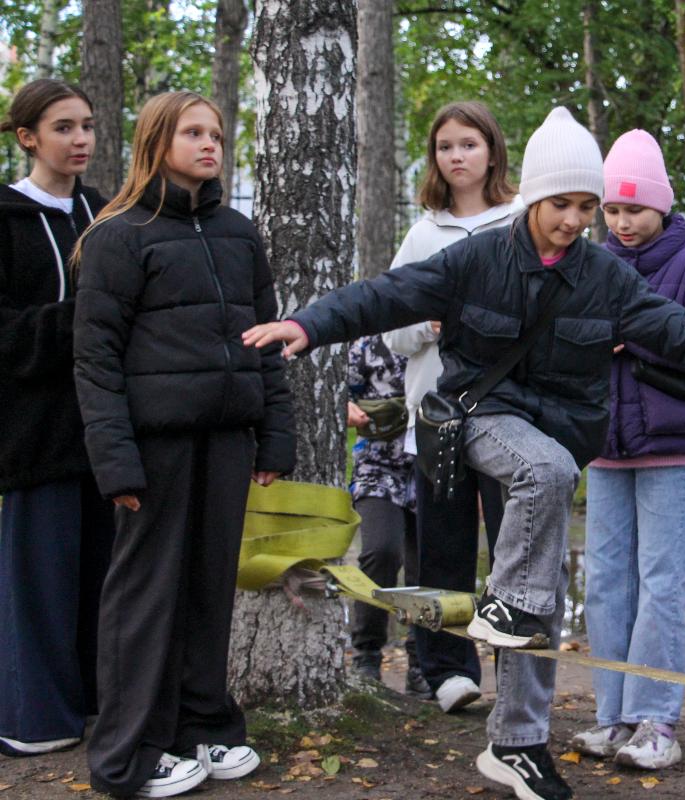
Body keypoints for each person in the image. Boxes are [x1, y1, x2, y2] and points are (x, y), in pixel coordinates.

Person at [243, 106, 685, 800]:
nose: (576, 220)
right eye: (562, 205)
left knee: (540, 600)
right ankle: (505, 607)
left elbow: (678, 332)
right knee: (541, 481)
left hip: (560, 431)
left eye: (587, 206)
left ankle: (516, 744)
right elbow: (389, 295)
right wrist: (309, 323)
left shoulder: (604, 276)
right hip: (477, 414)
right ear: (532, 198)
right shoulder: (479, 256)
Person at [73, 91, 295, 798]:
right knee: (144, 600)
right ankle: (128, 756)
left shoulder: (238, 232)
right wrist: (115, 462)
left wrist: (274, 439)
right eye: (193, 132)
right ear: (156, 140)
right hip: (152, 448)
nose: (210, 145)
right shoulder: (118, 236)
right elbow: (96, 362)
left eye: (218, 135)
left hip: (227, 439)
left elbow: (267, 341)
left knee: (209, 594)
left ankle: (204, 726)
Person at [570, 129, 685, 770]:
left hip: (671, 448)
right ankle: (612, 717)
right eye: (611, 209)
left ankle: (657, 722)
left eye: (633, 209)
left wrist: (632, 337)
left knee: (662, 584)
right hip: (606, 447)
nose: (621, 222)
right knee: (608, 584)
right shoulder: (589, 262)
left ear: (662, 206)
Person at [382, 100, 523, 713]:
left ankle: (517, 668)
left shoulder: (521, 222)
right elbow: (391, 327)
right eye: (446, 146)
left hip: (509, 414)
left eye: (468, 143)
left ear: (491, 149)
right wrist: (428, 326)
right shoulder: (423, 233)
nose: (457, 155)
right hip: (437, 419)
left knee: (514, 547)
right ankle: (446, 672)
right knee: (441, 547)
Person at [0, 78, 113, 758]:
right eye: (65, 127)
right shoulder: (4, 216)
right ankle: (33, 718)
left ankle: (96, 705)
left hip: (105, 430)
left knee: (102, 573)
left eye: (88, 126)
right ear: (26, 136)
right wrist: (79, 323)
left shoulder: (104, 214)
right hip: (33, 431)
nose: (81, 140)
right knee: (38, 576)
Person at [345, 336, 426, 694]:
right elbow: (335, 388)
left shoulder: (446, 340)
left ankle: (422, 663)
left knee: (426, 567)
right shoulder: (367, 345)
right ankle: (366, 654)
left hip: (431, 468)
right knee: (381, 551)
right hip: (377, 468)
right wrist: (345, 407)